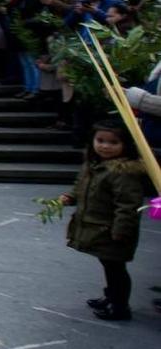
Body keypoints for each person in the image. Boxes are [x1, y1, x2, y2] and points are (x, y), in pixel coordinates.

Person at [56, 117, 147, 321]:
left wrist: (121, 230)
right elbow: (82, 186)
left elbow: (128, 205)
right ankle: (111, 296)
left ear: (126, 145)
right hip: (98, 227)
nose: (105, 146)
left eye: (113, 142)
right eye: (101, 140)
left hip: (112, 229)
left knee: (116, 268)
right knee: (108, 264)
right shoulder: (96, 165)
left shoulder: (123, 172)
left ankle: (120, 306)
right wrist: (71, 196)